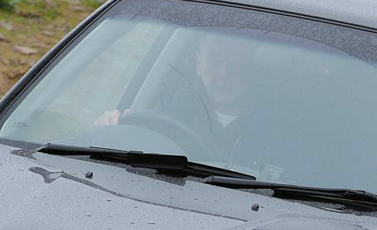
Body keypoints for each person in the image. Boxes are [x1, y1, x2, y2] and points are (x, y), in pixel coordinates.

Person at [95, 31, 256, 155]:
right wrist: (110, 130)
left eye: (236, 62)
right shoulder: (169, 111)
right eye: (214, 60)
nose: (224, 73)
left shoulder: (273, 126)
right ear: (199, 64)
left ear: (250, 67)